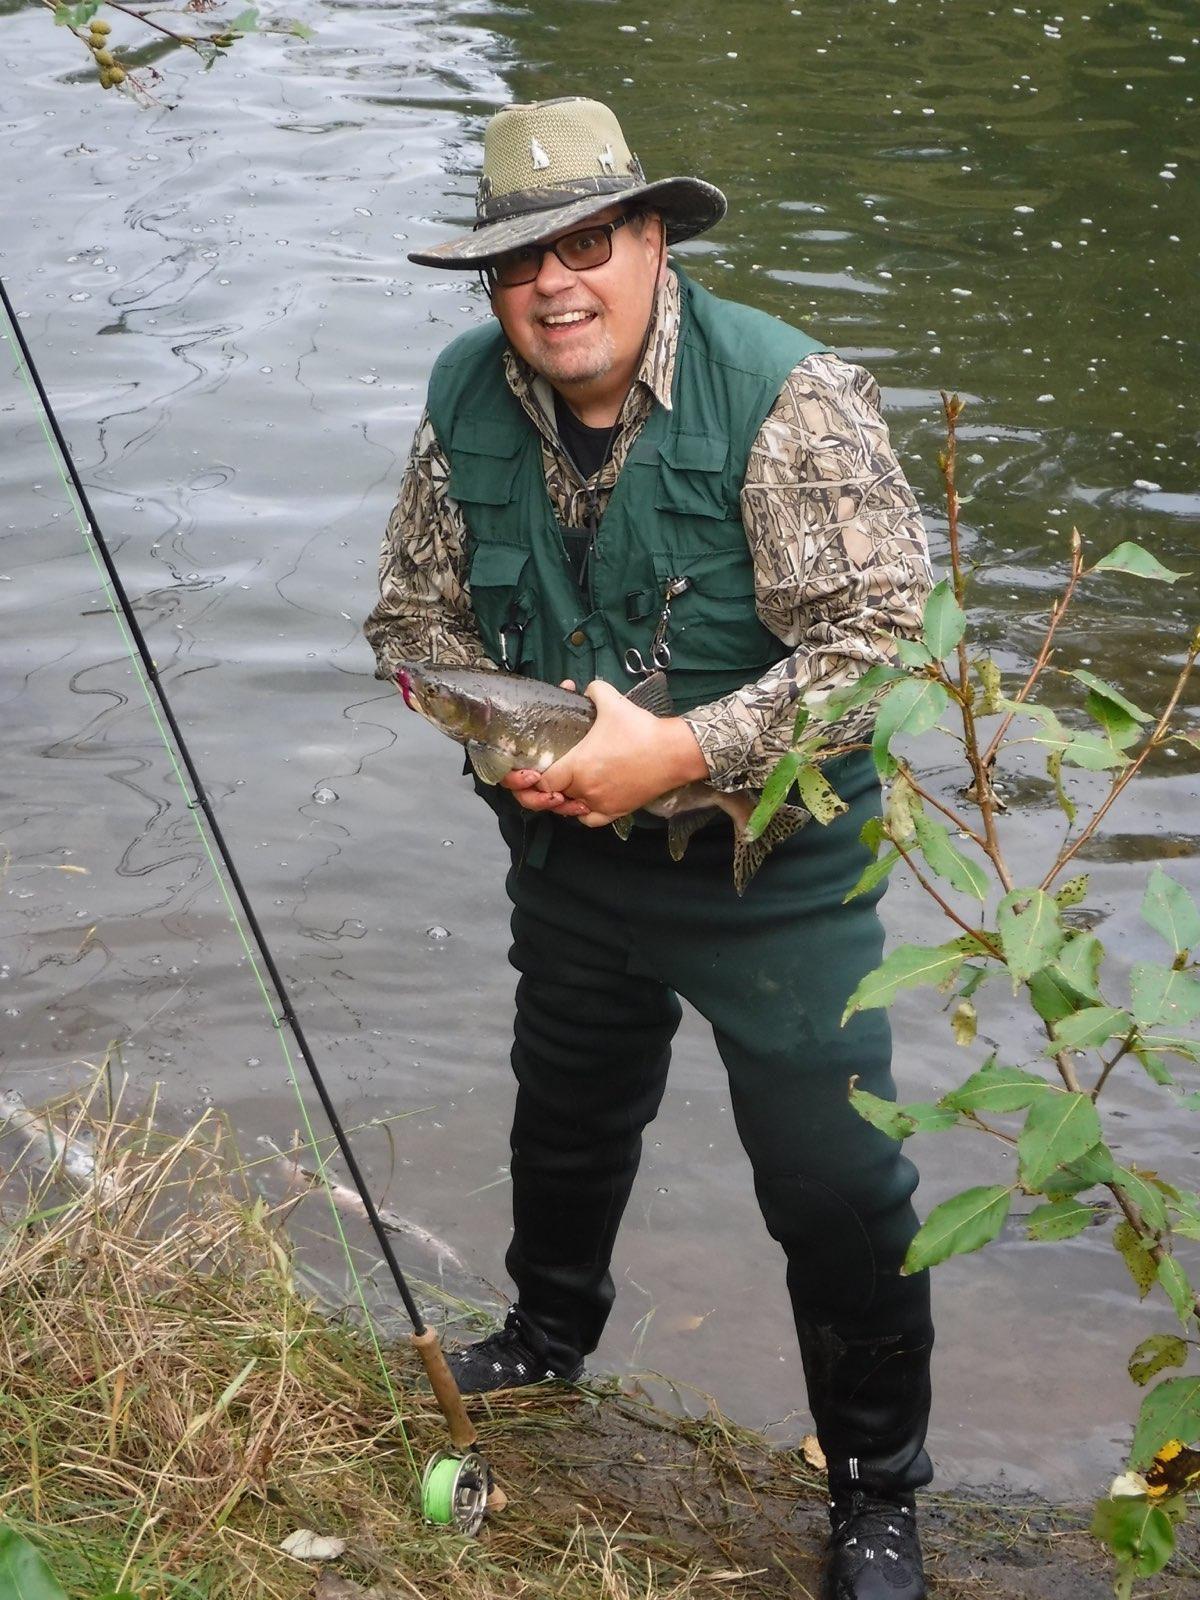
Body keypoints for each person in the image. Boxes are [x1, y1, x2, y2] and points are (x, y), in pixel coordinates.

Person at [365, 96, 935, 1600]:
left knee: (838, 1182)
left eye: (589, 246)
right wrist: (508, 749)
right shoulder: (464, 396)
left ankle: (877, 1490)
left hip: (778, 877)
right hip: (568, 859)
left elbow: (885, 652)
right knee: (564, 1116)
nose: (556, 286)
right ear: (492, 285)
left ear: (654, 241)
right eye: (520, 262)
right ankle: (547, 1342)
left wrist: (674, 754)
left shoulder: (789, 395)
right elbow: (410, 625)